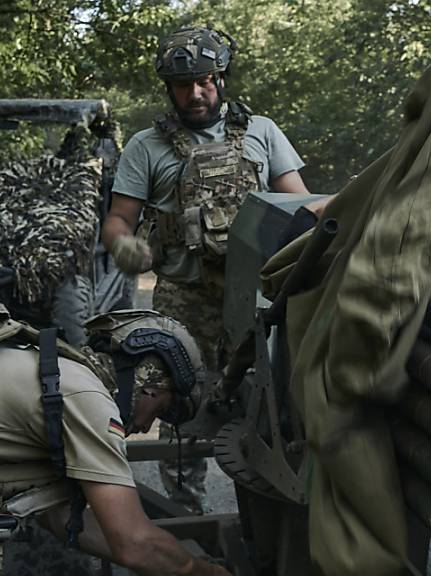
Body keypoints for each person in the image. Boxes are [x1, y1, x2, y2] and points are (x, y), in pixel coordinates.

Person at [101, 26, 310, 514]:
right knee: (182, 405)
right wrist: (123, 245)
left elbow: (299, 206)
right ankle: (185, 513)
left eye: (205, 81)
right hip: (184, 295)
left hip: (257, 295)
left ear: (221, 78)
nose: (195, 93)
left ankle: (267, 508)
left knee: (272, 398)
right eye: (182, 84)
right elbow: (118, 220)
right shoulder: (146, 147)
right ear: (168, 88)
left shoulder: (262, 132)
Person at [0, 302, 230, 576]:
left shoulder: (60, 379)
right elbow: (133, 543)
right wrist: (200, 571)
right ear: (151, 387)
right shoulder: (85, 397)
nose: (146, 427)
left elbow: (66, 519)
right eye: (161, 410)